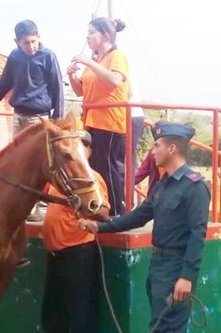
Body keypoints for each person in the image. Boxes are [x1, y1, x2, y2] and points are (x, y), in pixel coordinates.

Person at [78, 121, 211, 333]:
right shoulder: (163, 185)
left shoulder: (195, 186)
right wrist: (100, 225)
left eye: (157, 145)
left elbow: (197, 235)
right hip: (159, 265)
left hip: (177, 268)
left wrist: (187, 277)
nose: (153, 151)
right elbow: (138, 216)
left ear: (172, 148)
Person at [40, 130, 110, 333]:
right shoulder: (59, 179)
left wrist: (84, 208)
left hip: (78, 252)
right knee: (53, 311)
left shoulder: (93, 179)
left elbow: (103, 212)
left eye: (80, 145)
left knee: (81, 313)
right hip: (55, 252)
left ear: (88, 151)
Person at [68, 17, 129, 215]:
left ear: (105, 35)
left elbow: (115, 80)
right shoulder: (95, 62)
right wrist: (72, 76)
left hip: (110, 120)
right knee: (94, 166)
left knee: (108, 168)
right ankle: (101, 209)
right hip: (91, 121)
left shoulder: (117, 56)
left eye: (92, 32)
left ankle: (117, 213)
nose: (88, 36)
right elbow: (80, 91)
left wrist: (88, 62)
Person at [0, 20, 64, 134]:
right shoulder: (14, 56)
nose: (31, 46)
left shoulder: (48, 57)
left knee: (38, 152)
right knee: (17, 151)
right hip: (18, 116)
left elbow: (57, 87)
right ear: (17, 42)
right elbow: (3, 84)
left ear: (39, 37)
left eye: (33, 41)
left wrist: (58, 119)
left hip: (39, 118)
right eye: (26, 43)